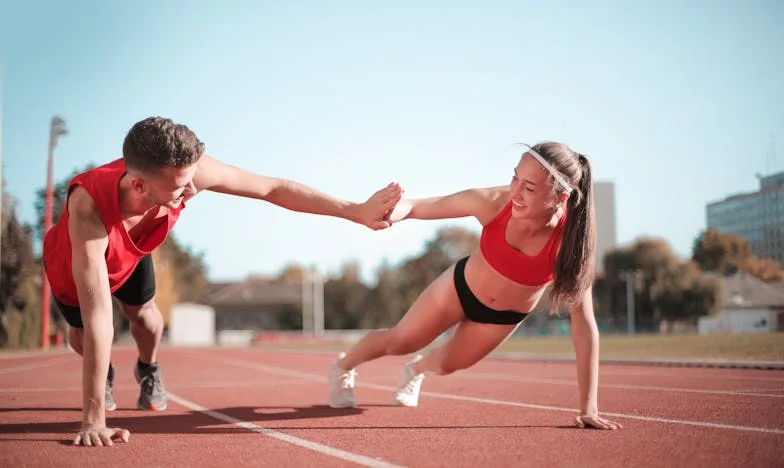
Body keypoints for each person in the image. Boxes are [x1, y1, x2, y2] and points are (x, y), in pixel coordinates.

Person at [43, 116, 403, 447]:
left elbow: (273, 188)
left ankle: (147, 369)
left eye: (190, 181)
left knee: (147, 318)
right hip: (74, 262)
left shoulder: (189, 173)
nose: (190, 192)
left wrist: (354, 211)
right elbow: (99, 316)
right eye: (180, 188)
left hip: (133, 251)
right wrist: (93, 421)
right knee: (85, 336)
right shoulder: (88, 209)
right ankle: (103, 374)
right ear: (138, 184)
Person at [327, 141, 622, 431]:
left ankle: (415, 370)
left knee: (446, 365)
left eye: (529, 188)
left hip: (502, 318)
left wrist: (589, 409)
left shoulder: (569, 243)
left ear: (559, 198)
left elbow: (584, 323)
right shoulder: (494, 201)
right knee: (401, 341)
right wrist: (389, 212)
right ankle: (343, 367)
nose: (515, 192)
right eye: (514, 178)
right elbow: (418, 206)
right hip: (459, 289)